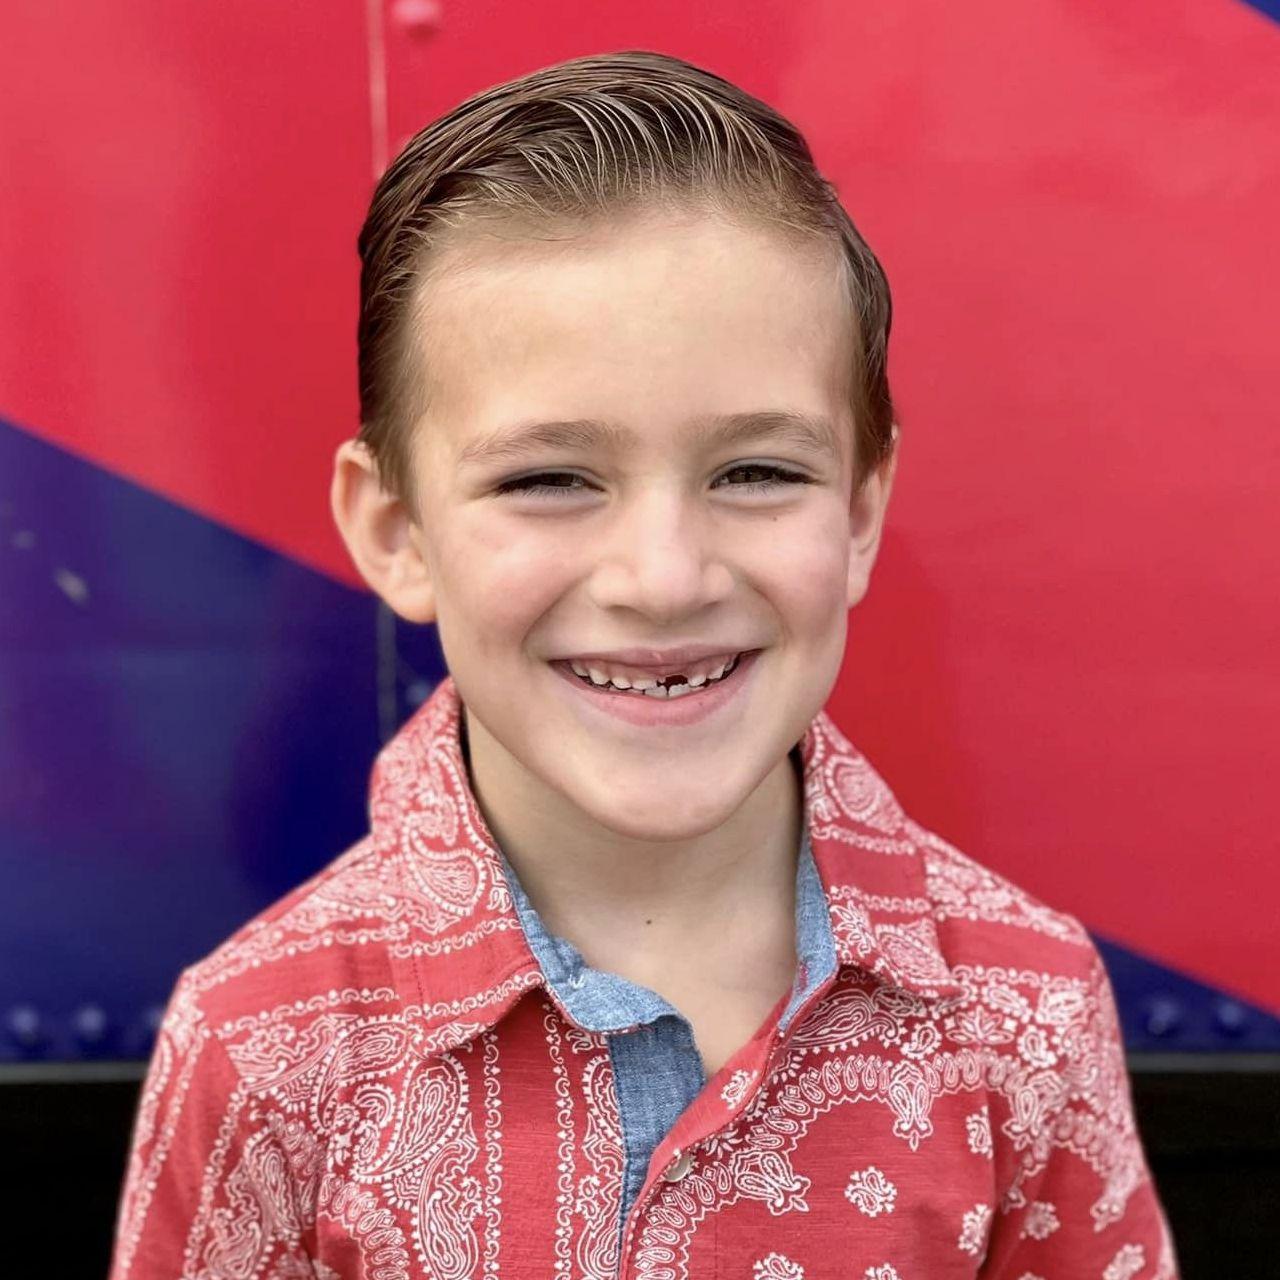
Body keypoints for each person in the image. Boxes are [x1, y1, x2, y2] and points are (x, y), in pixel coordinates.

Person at [109, 50, 1178, 1279]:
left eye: (755, 471)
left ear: (858, 514)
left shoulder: (1026, 1010)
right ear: (397, 531)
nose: (663, 577)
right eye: (548, 478)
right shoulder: (262, 1048)